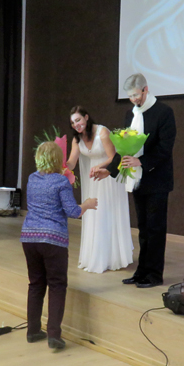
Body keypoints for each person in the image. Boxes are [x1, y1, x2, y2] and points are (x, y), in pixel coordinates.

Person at [93, 73, 176, 288]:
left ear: (146, 89)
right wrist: (109, 170)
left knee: (155, 229)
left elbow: (165, 148)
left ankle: (154, 275)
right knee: (143, 228)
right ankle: (141, 272)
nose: (133, 100)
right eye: (130, 96)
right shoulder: (130, 114)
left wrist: (142, 162)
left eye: (136, 95)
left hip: (157, 179)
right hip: (137, 180)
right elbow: (124, 149)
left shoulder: (164, 112)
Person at [21, 141, 97, 350]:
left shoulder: (32, 178)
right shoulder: (61, 182)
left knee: (36, 284)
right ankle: (54, 334)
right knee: (56, 285)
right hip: (53, 240)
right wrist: (88, 204)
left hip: (29, 238)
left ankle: (33, 331)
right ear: (58, 160)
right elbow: (73, 211)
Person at [67, 106, 133, 274]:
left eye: (78, 120)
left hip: (108, 177)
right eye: (73, 123)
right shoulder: (77, 139)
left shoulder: (102, 132)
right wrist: (60, 165)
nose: (76, 125)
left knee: (106, 212)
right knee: (95, 213)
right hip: (94, 179)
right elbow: (72, 162)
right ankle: (96, 255)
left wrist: (99, 166)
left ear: (86, 117)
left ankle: (112, 257)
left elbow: (113, 157)